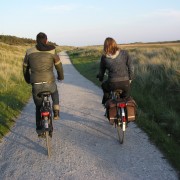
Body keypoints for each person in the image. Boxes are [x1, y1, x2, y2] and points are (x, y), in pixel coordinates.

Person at [23, 32, 64, 135]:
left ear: (36, 41)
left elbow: (25, 69)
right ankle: (56, 112)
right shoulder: (52, 50)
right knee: (54, 92)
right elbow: (59, 66)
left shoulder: (29, 52)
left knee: (38, 107)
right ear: (46, 40)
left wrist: (28, 80)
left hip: (36, 84)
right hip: (49, 82)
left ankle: (39, 130)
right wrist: (61, 77)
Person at [97, 37, 134, 104]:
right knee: (126, 100)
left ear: (105, 46)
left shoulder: (104, 57)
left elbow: (101, 71)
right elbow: (131, 67)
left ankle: (106, 102)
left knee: (104, 86)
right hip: (125, 83)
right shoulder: (125, 53)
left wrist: (100, 78)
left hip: (112, 83)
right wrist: (130, 79)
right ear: (115, 44)